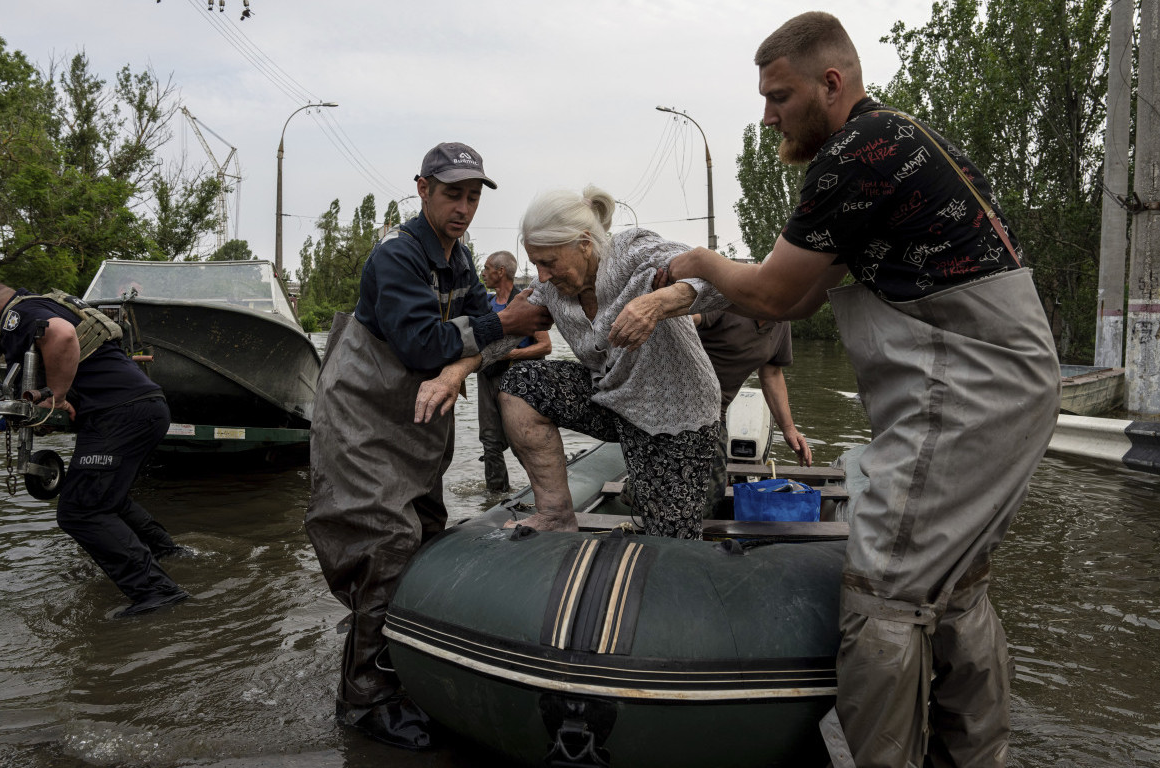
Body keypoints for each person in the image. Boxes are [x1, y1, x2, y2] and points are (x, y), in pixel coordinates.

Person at [657, 12, 1060, 767]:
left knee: (884, 588)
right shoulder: (895, 140)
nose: (767, 114)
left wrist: (699, 265)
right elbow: (808, 292)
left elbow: (778, 296)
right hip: (1010, 379)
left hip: (967, 385)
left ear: (830, 83)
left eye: (779, 96)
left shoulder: (855, 155)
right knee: (956, 581)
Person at [304, 142, 551, 750]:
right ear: (422, 188)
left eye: (472, 196)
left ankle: (403, 669)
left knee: (426, 532)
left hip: (414, 420)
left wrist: (464, 360)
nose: (463, 206)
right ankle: (363, 701)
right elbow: (421, 343)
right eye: (452, 194)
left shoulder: (460, 260)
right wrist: (501, 325)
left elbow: (463, 341)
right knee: (382, 544)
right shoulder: (395, 256)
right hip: (362, 419)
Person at [430, 185, 726, 540]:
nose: (540, 275)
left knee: (669, 539)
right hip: (610, 399)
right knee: (521, 384)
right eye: (535, 263)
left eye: (548, 262)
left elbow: (719, 281)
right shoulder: (553, 290)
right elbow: (504, 337)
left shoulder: (632, 250)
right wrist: (454, 372)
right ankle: (554, 514)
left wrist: (658, 303)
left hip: (675, 411)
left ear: (584, 243)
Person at [0, 278, 188, 618]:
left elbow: (63, 336)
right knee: (103, 497)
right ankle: (166, 552)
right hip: (141, 407)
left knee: (80, 511)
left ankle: (158, 592)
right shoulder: (41, 302)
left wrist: (57, 393)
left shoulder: (17, 317)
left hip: (121, 414)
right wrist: (53, 407)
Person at [693, 310, 811, 517]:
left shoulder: (781, 322)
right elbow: (684, 316)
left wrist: (789, 429)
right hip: (673, 400)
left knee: (711, 493)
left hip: (714, 411)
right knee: (701, 490)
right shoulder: (728, 298)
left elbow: (772, 373)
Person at [476, 250, 551, 492]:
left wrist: (511, 354)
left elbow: (545, 346)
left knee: (521, 441)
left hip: (515, 380)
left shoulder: (524, 302)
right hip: (486, 376)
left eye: (487, 268)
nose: (483, 273)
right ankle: (496, 496)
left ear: (501, 272)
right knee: (489, 440)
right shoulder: (486, 304)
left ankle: (544, 491)